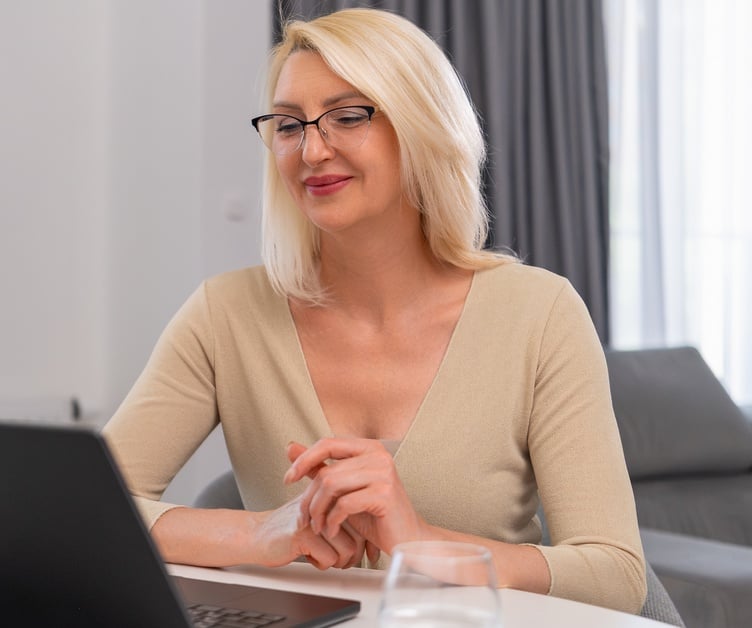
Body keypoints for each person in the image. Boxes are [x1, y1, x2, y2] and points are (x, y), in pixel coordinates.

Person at [101, 7, 647, 615]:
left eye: (348, 116)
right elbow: (84, 511)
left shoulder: (540, 314)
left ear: (422, 125)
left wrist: (420, 542)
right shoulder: (223, 315)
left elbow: (615, 572)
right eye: (288, 125)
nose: (311, 149)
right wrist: (258, 534)